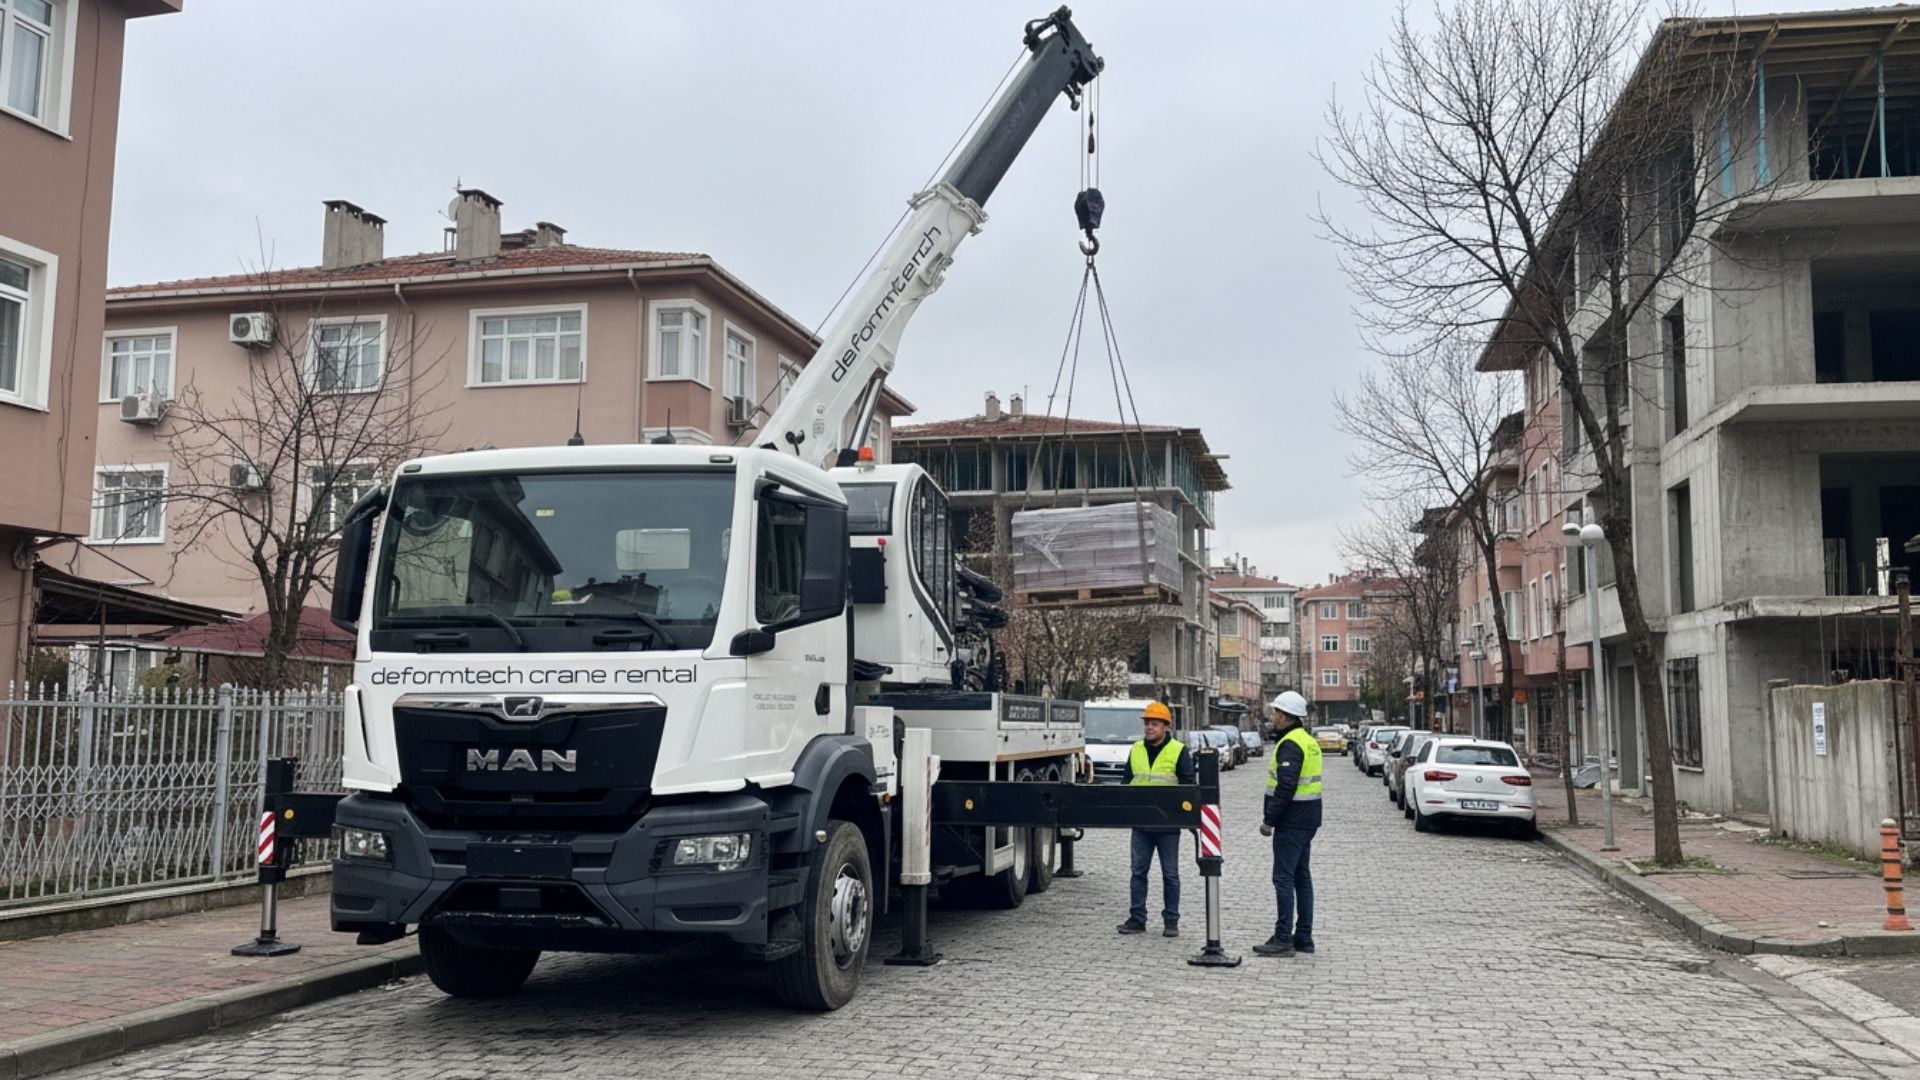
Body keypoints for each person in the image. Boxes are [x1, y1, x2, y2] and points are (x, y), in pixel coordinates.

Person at [1116, 700, 1194, 938]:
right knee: (1138, 872)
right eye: (1147, 723)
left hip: (1168, 825)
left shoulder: (1179, 751)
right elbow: (1126, 782)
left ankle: (1171, 920)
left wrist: (1183, 816)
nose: (1149, 727)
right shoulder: (1136, 749)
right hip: (1141, 824)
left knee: (1170, 874)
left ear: (1166, 726)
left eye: (1155, 724)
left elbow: (1189, 787)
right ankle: (1137, 918)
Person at [1255, 690, 1322, 957]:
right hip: (1308, 819)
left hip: (1291, 821)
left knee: (1283, 878)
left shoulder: (1290, 744)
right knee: (1301, 878)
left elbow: (1286, 785)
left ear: (1285, 716)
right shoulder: (1308, 741)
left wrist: (1269, 820)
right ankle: (1303, 936)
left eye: (1276, 713)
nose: (1274, 717)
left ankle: (1283, 937)